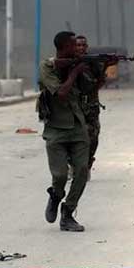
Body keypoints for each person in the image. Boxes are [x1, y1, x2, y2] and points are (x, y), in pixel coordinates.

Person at [38, 31, 90, 232]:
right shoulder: (46, 67)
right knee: (59, 175)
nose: (77, 48)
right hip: (56, 129)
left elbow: (88, 90)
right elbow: (60, 93)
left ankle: (68, 213)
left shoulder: (77, 63)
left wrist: (95, 69)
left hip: (77, 126)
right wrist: (74, 72)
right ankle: (56, 196)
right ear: (63, 47)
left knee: (82, 172)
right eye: (73, 45)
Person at [75, 35, 110, 180]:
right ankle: (74, 166)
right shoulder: (67, 63)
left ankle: (87, 164)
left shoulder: (92, 63)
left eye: (84, 45)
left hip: (91, 105)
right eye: (78, 45)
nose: (81, 48)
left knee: (93, 137)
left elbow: (99, 83)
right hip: (73, 106)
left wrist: (105, 66)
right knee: (73, 138)